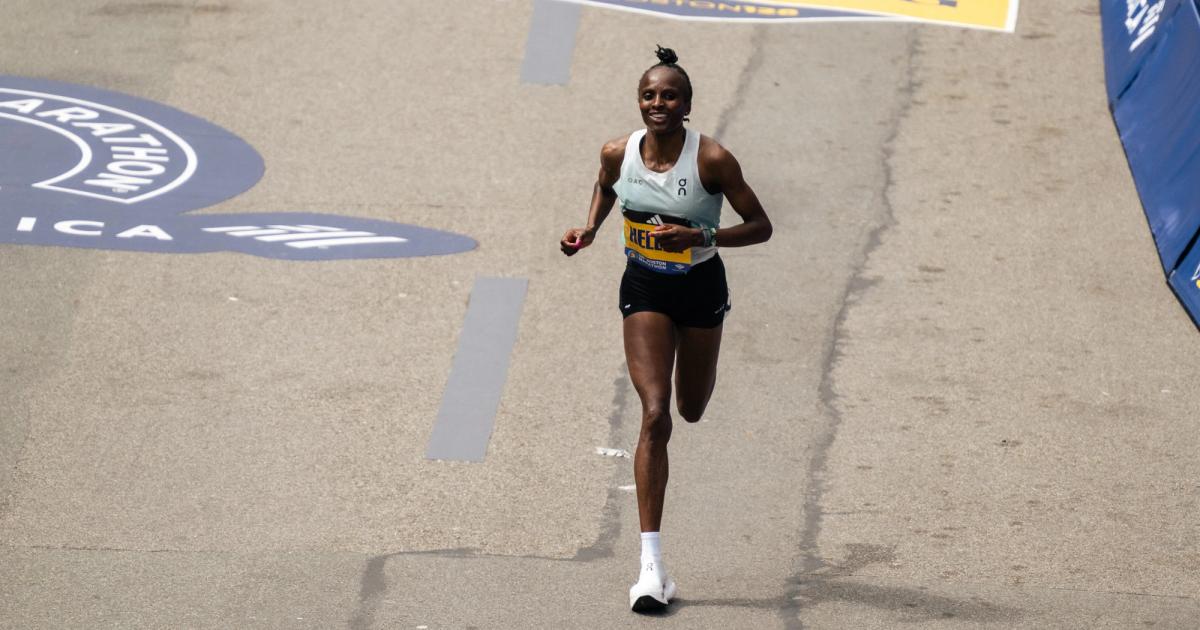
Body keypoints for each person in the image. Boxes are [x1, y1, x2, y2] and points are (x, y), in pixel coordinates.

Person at [560, 46, 773, 612]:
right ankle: (651, 570)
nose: (658, 103)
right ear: (640, 101)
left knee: (690, 409)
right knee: (654, 413)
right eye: (650, 95)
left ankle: (655, 564)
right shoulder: (617, 151)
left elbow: (761, 227)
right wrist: (590, 230)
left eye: (669, 95)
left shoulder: (712, 160)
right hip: (645, 290)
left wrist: (702, 238)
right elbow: (607, 186)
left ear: (686, 105)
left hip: (701, 291)